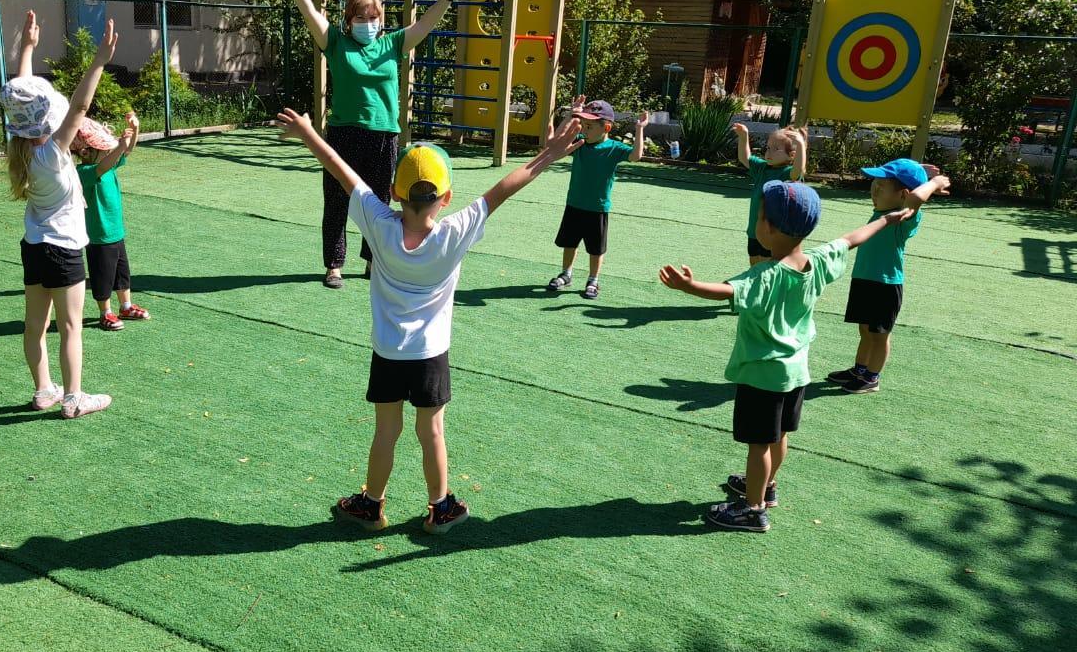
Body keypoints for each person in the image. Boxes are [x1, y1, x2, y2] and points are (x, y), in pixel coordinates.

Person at [274, 106, 583, 534]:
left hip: (387, 352)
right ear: (446, 197)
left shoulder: (378, 224)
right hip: (430, 354)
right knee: (431, 430)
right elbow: (503, 189)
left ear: (396, 193)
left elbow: (338, 168)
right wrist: (548, 155)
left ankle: (370, 505)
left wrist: (307, 132)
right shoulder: (456, 232)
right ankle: (440, 507)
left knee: (386, 431)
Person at [659, 180, 916, 533]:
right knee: (779, 435)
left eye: (760, 216)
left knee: (758, 445)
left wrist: (689, 287)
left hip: (761, 375)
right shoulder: (819, 262)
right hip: (795, 373)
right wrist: (886, 220)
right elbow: (852, 239)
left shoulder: (764, 276)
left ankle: (752, 509)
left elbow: (725, 292)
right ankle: (766, 486)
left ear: (770, 228)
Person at [268, 0, 468, 288]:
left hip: (383, 135)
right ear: (349, 19)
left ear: (381, 18)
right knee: (337, 201)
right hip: (344, 134)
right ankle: (334, 264)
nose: (368, 21)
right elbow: (307, 8)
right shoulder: (336, 42)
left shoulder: (393, 43)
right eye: (361, 15)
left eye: (373, 15)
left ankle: (374, 261)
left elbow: (426, 24)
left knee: (378, 205)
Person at [0, 10, 113, 419]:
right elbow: (80, 106)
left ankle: (44, 390)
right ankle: (73, 399)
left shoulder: (20, 147)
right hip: (64, 250)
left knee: (35, 326)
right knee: (70, 327)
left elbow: (23, 97)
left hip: (34, 247)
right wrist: (99, 61)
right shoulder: (52, 153)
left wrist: (27, 47)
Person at [826, 158, 951, 393]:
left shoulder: (903, 216)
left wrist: (933, 183)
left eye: (881, 186)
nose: (874, 190)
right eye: (874, 184)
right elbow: (911, 192)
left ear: (903, 194)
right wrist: (921, 173)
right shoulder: (881, 211)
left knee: (879, 335)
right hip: (864, 279)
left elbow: (915, 199)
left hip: (885, 285)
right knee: (865, 330)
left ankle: (872, 378)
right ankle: (859, 370)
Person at [546, 97, 650, 300]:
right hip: (574, 204)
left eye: (590, 126)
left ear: (607, 128)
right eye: (583, 125)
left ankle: (593, 279)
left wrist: (640, 128)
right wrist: (571, 114)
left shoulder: (614, 148)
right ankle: (566, 274)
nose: (585, 130)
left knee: (595, 248)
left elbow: (636, 156)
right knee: (570, 242)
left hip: (598, 208)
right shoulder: (579, 143)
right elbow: (555, 142)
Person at [72, 114, 152, 332]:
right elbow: (104, 165)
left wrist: (134, 130)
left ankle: (125, 305)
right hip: (99, 236)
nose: (108, 151)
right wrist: (118, 147)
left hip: (116, 232)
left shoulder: (108, 165)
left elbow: (126, 151)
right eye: (103, 149)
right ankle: (105, 312)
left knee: (122, 272)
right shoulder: (84, 172)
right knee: (102, 275)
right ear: (86, 152)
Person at [732, 123, 806, 264]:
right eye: (768, 148)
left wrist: (801, 145)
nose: (769, 152)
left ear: (792, 155)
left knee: (767, 270)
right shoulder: (762, 168)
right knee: (754, 266)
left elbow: (798, 170)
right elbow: (744, 158)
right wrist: (744, 136)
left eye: (776, 149)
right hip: (754, 231)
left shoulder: (788, 173)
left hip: (773, 234)